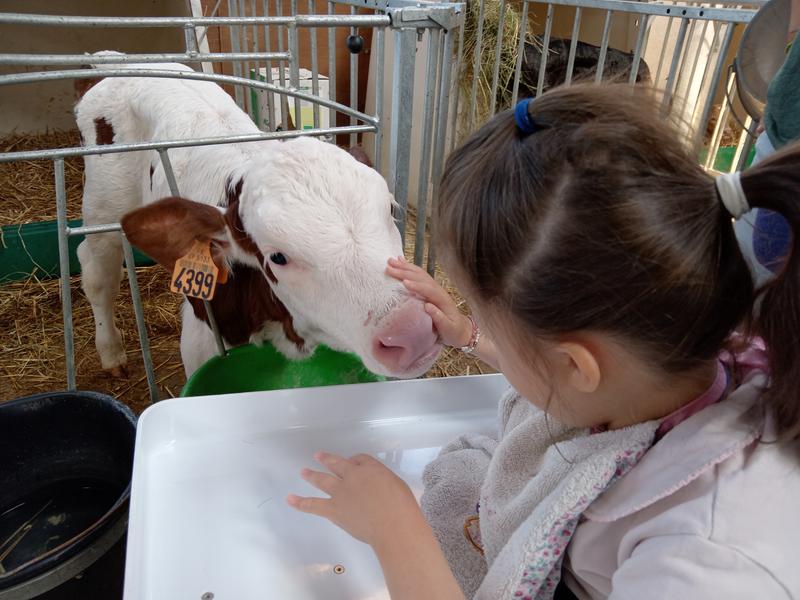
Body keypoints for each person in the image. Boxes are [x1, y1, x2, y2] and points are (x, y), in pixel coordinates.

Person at [286, 84, 800, 599]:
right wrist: (471, 336)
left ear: (577, 365)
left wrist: (394, 530)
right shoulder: (685, 352)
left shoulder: (708, 561)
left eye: (495, 325)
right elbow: (559, 377)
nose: (488, 337)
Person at [735, 1, 799, 287]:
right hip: (781, 137)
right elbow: (793, 33)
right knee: (750, 270)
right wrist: (781, 96)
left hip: (784, 144)